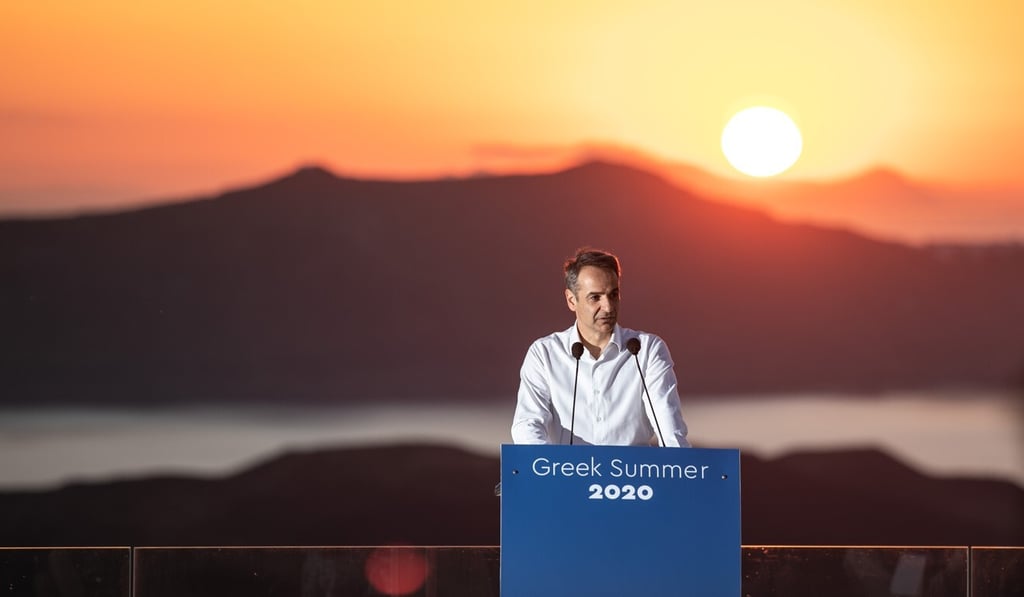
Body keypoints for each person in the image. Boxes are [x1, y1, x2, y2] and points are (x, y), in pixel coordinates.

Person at [511, 247, 690, 447]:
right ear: (572, 300)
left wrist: (681, 470)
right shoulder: (544, 354)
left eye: (613, 295)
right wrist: (551, 473)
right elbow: (527, 427)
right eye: (595, 297)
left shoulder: (647, 349)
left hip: (635, 477)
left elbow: (669, 428)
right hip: (567, 476)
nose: (608, 307)